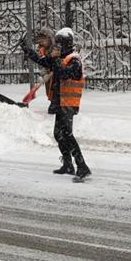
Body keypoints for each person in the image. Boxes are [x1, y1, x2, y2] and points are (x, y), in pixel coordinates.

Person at [21, 27, 91, 181]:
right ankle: (68, 164)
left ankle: (82, 166)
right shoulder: (61, 58)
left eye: (60, 44)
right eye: (56, 44)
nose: (57, 47)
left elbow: (66, 73)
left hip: (68, 103)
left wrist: (56, 60)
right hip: (60, 102)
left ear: (66, 44)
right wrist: (27, 50)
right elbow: (42, 60)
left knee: (67, 135)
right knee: (58, 134)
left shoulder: (74, 59)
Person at [19, 27, 55, 107]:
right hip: (50, 75)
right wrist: (26, 50)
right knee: (50, 92)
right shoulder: (44, 49)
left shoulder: (55, 49)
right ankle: (53, 102)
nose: (41, 41)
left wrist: (51, 68)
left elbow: (48, 61)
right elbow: (40, 60)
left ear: (50, 39)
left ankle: (55, 104)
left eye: (44, 39)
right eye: (40, 38)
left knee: (54, 92)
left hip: (57, 77)